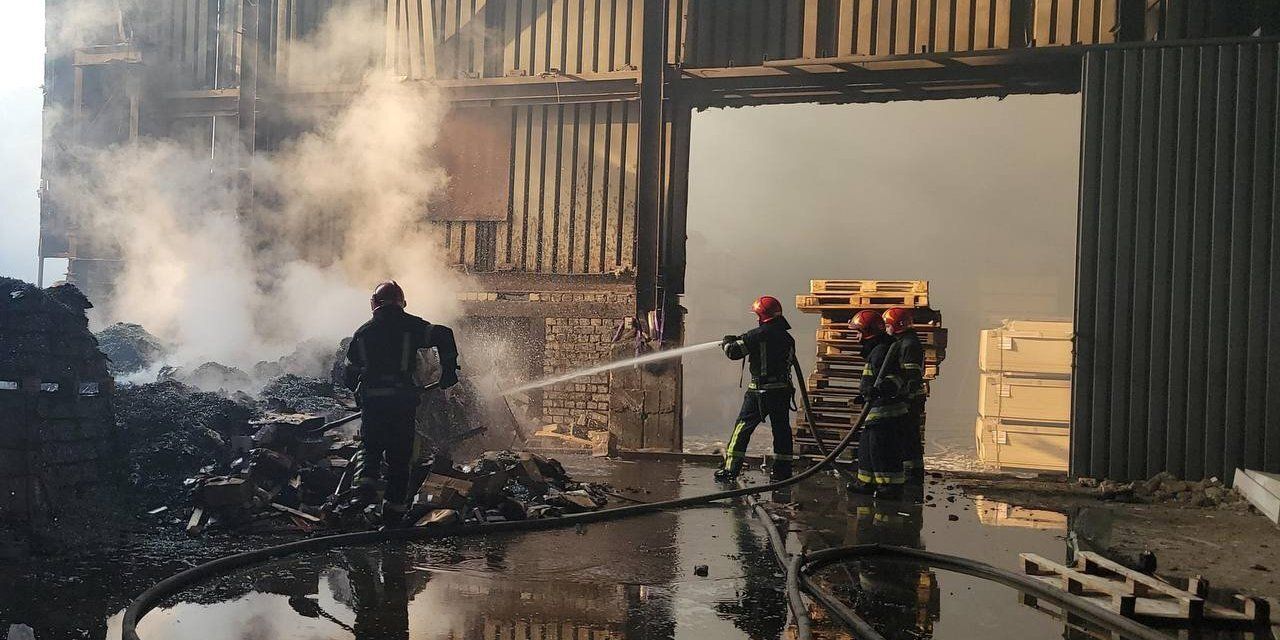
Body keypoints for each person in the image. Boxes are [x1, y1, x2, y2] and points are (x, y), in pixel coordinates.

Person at [343, 281, 460, 527]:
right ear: (402, 303)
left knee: (370, 447)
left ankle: (362, 492)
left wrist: (357, 391)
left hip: (374, 402)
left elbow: (350, 372)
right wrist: (448, 371)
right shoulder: (411, 326)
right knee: (400, 457)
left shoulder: (363, 332)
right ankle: (393, 515)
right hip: (402, 402)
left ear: (374, 304)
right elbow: (444, 334)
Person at [715, 295, 797, 482]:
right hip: (782, 392)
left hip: (759, 392)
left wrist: (727, 342)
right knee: (782, 431)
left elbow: (733, 352)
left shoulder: (757, 335)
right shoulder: (787, 338)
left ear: (762, 316)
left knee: (742, 428)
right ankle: (783, 472)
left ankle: (730, 469)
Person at [851, 308, 912, 498]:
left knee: (883, 453)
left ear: (867, 332)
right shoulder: (878, 350)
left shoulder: (882, 351)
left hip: (887, 414)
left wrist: (879, 390)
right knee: (867, 451)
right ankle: (866, 483)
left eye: (858, 332)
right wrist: (865, 394)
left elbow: (897, 378)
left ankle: (890, 488)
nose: (856, 337)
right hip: (876, 412)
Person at [883, 307, 926, 477]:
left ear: (896, 326)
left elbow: (911, 376)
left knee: (907, 435)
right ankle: (912, 470)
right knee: (909, 435)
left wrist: (905, 398)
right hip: (910, 397)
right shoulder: (905, 341)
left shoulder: (908, 344)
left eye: (887, 325)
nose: (886, 329)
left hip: (910, 399)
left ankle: (911, 473)